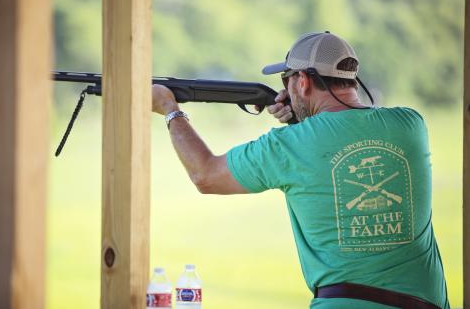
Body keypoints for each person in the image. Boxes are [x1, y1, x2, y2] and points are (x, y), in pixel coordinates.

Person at [151, 31, 450, 309]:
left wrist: (170, 109)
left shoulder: (289, 145)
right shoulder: (410, 125)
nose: (286, 89)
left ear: (303, 82)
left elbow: (205, 174)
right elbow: (339, 135)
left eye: (287, 79)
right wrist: (303, 121)